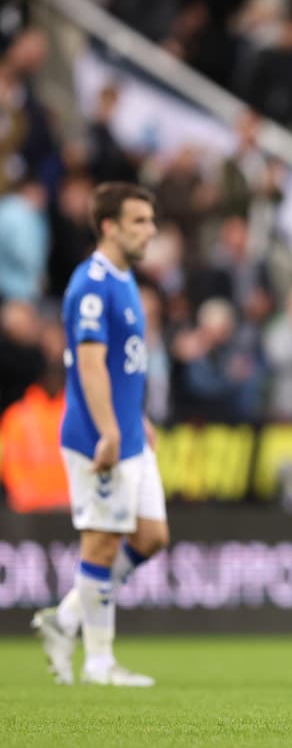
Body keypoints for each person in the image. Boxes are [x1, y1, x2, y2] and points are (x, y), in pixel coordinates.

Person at [31, 182, 170, 687]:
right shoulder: (90, 283)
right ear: (108, 226)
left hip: (129, 427)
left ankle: (64, 618)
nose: (149, 231)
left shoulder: (124, 277)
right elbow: (89, 365)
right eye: (139, 222)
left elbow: (121, 365)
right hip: (99, 432)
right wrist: (109, 431)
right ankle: (99, 663)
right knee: (103, 543)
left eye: (150, 221)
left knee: (151, 536)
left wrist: (139, 418)